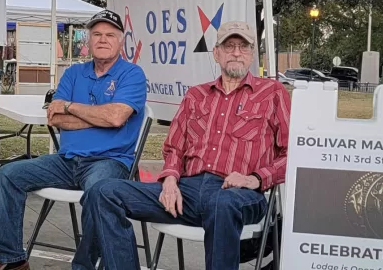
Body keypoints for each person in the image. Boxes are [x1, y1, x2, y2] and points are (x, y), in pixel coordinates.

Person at [73, 21, 290, 270]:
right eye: (229, 46)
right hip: (186, 191)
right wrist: (170, 180)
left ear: (252, 54)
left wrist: (255, 178)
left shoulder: (272, 92)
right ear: (216, 53)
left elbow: (291, 154)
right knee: (103, 192)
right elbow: (174, 148)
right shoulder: (196, 95)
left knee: (222, 204)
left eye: (244, 46)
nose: (237, 53)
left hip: (237, 194)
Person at [0, 9, 147, 270]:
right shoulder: (74, 73)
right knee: (8, 174)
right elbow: (55, 117)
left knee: (98, 193)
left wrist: (72, 106)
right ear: (89, 39)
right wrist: (99, 115)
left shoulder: (132, 74)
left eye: (110, 34)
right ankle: (13, 260)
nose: (102, 39)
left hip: (109, 161)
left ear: (121, 41)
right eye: (96, 34)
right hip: (67, 160)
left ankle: (84, 266)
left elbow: (117, 117)